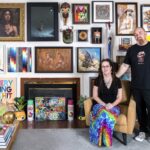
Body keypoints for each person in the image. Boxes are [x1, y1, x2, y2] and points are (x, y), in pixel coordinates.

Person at [116, 27, 150, 143]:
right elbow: (125, 66)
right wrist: (115, 77)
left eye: (140, 32)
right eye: (135, 34)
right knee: (140, 111)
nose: (138, 35)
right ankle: (143, 131)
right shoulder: (131, 50)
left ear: (145, 33)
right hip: (136, 86)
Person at [89, 59, 122, 147]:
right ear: (101, 68)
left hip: (114, 105)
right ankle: (103, 140)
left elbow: (120, 97)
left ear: (111, 68)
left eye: (107, 66)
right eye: (103, 66)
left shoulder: (117, 80)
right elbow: (95, 96)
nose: (105, 68)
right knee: (104, 112)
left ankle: (103, 140)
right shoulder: (97, 80)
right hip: (99, 105)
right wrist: (104, 104)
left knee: (105, 114)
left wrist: (111, 105)